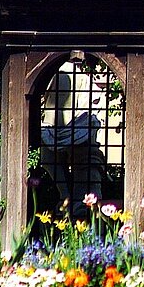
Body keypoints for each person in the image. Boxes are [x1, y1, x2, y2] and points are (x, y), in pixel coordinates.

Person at [40, 65, 109, 218]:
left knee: (86, 165)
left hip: (78, 130)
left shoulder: (72, 75)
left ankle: (76, 207)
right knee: (49, 158)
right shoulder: (65, 73)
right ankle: (69, 201)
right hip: (64, 128)